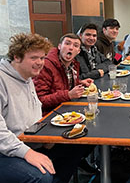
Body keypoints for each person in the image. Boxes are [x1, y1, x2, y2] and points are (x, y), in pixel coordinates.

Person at [0, 33, 90, 183]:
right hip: (6, 151)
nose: (40, 63)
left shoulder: (26, 77)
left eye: (42, 58)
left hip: (27, 141)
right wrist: (27, 152)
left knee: (77, 146)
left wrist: (44, 138)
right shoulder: (3, 80)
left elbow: (35, 112)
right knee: (41, 176)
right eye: (34, 58)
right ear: (16, 57)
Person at [34, 33, 93, 115]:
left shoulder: (74, 65)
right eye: (67, 43)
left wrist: (79, 82)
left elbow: (62, 84)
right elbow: (40, 101)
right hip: (51, 115)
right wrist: (68, 95)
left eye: (75, 45)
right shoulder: (46, 66)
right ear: (59, 46)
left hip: (67, 109)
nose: (71, 48)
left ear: (78, 51)